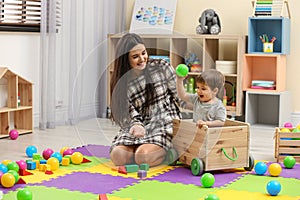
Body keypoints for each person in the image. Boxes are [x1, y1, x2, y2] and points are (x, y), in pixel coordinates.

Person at [109, 33, 184, 167]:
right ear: (125, 59)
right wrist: (136, 125)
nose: (142, 59)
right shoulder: (122, 84)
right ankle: (144, 149)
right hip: (138, 126)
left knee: (142, 157)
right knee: (118, 157)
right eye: (135, 56)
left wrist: (199, 104)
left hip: (163, 121)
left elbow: (179, 96)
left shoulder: (161, 66)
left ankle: (166, 152)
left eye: (144, 53)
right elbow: (128, 113)